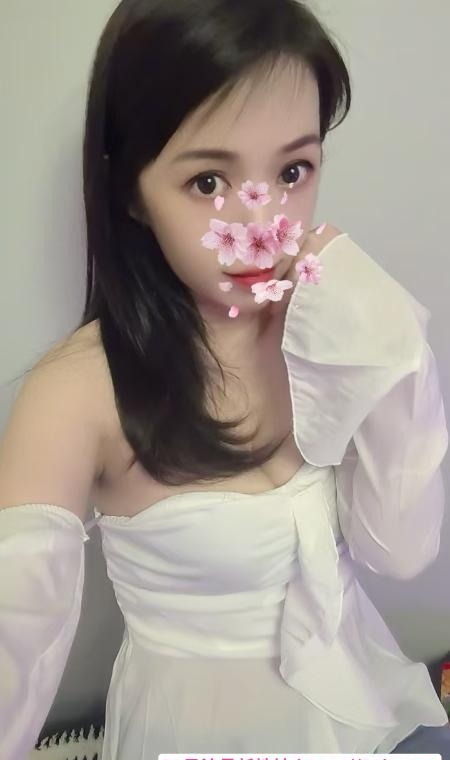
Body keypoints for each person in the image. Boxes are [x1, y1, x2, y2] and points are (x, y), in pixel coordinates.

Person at [1, 0, 449, 758]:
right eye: (209, 181)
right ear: (130, 191)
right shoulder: (78, 392)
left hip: (366, 719)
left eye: (293, 171)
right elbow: (15, 635)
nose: (261, 225)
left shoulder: (331, 324)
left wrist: (390, 342)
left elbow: (399, 552)